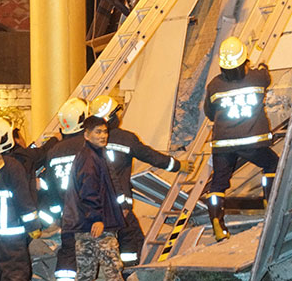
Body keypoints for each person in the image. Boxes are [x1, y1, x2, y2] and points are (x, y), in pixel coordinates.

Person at [91, 94, 191, 267]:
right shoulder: (125, 139)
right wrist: (177, 165)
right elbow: (150, 156)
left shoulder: (86, 142)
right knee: (132, 241)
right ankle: (129, 271)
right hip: (119, 206)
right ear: (112, 116)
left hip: (92, 206)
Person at [202, 37, 278, 241]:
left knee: (218, 184)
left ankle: (217, 222)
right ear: (244, 61)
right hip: (252, 141)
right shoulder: (257, 77)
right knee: (272, 164)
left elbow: (210, 113)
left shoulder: (214, 85)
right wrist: (261, 66)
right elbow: (266, 76)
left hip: (223, 143)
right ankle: (269, 202)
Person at [0, 116, 44, 281]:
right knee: (15, 274)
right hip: (10, 236)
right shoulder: (12, 166)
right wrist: (33, 226)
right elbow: (23, 199)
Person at [61, 116, 127, 281]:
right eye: (98, 132)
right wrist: (97, 218)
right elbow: (89, 190)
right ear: (86, 134)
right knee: (113, 270)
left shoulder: (92, 155)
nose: (103, 136)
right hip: (98, 226)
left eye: (105, 132)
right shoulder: (90, 158)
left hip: (84, 226)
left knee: (86, 273)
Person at [37, 97, 90, 280]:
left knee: (68, 251)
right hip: (90, 212)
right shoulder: (90, 147)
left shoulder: (54, 152)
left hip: (67, 214)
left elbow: (49, 187)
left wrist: (58, 213)